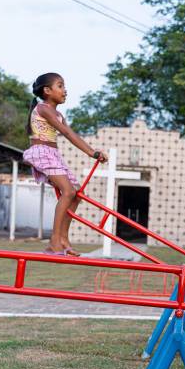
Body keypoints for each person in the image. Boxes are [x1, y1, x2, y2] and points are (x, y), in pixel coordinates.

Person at [21, 73, 108, 256]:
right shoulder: (43, 108)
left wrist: (91, 151)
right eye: (60, 86)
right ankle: (54, 241)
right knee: (68, 191)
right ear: (47, 90)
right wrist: (92, 152)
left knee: (77, 193)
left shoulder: (58, 114)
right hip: (42, 153)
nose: (65, 90)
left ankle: (63, 238)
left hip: (53, 154)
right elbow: (67, 133)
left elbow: (69, 133)